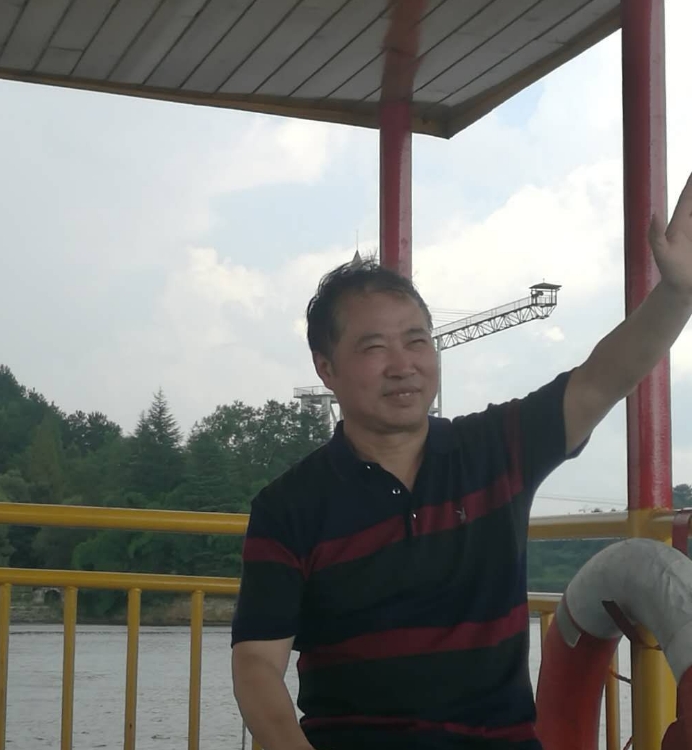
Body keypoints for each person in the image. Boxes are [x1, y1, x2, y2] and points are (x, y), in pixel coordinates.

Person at [231, 174, 692, 750]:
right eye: (374, 347)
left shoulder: (496, 449)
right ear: (326, 368)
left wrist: (676, 295)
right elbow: (257, 664)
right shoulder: (289, 507)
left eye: (417, 341)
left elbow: (603, 379)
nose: (403, 365)